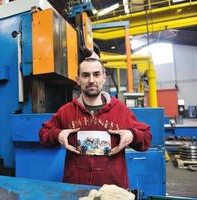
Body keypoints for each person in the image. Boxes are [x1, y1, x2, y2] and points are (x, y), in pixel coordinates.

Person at [38, 55, 152, 189]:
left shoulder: (120, 111)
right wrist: (58, 135)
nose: (91, 80)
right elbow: (43, 134)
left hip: (111, 191)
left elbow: (146, 138)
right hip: (75, 190)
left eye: (96, 74)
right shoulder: (66, 111)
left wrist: (132, 135)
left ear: (104, 78)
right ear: (78, 80)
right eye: (86, 75)